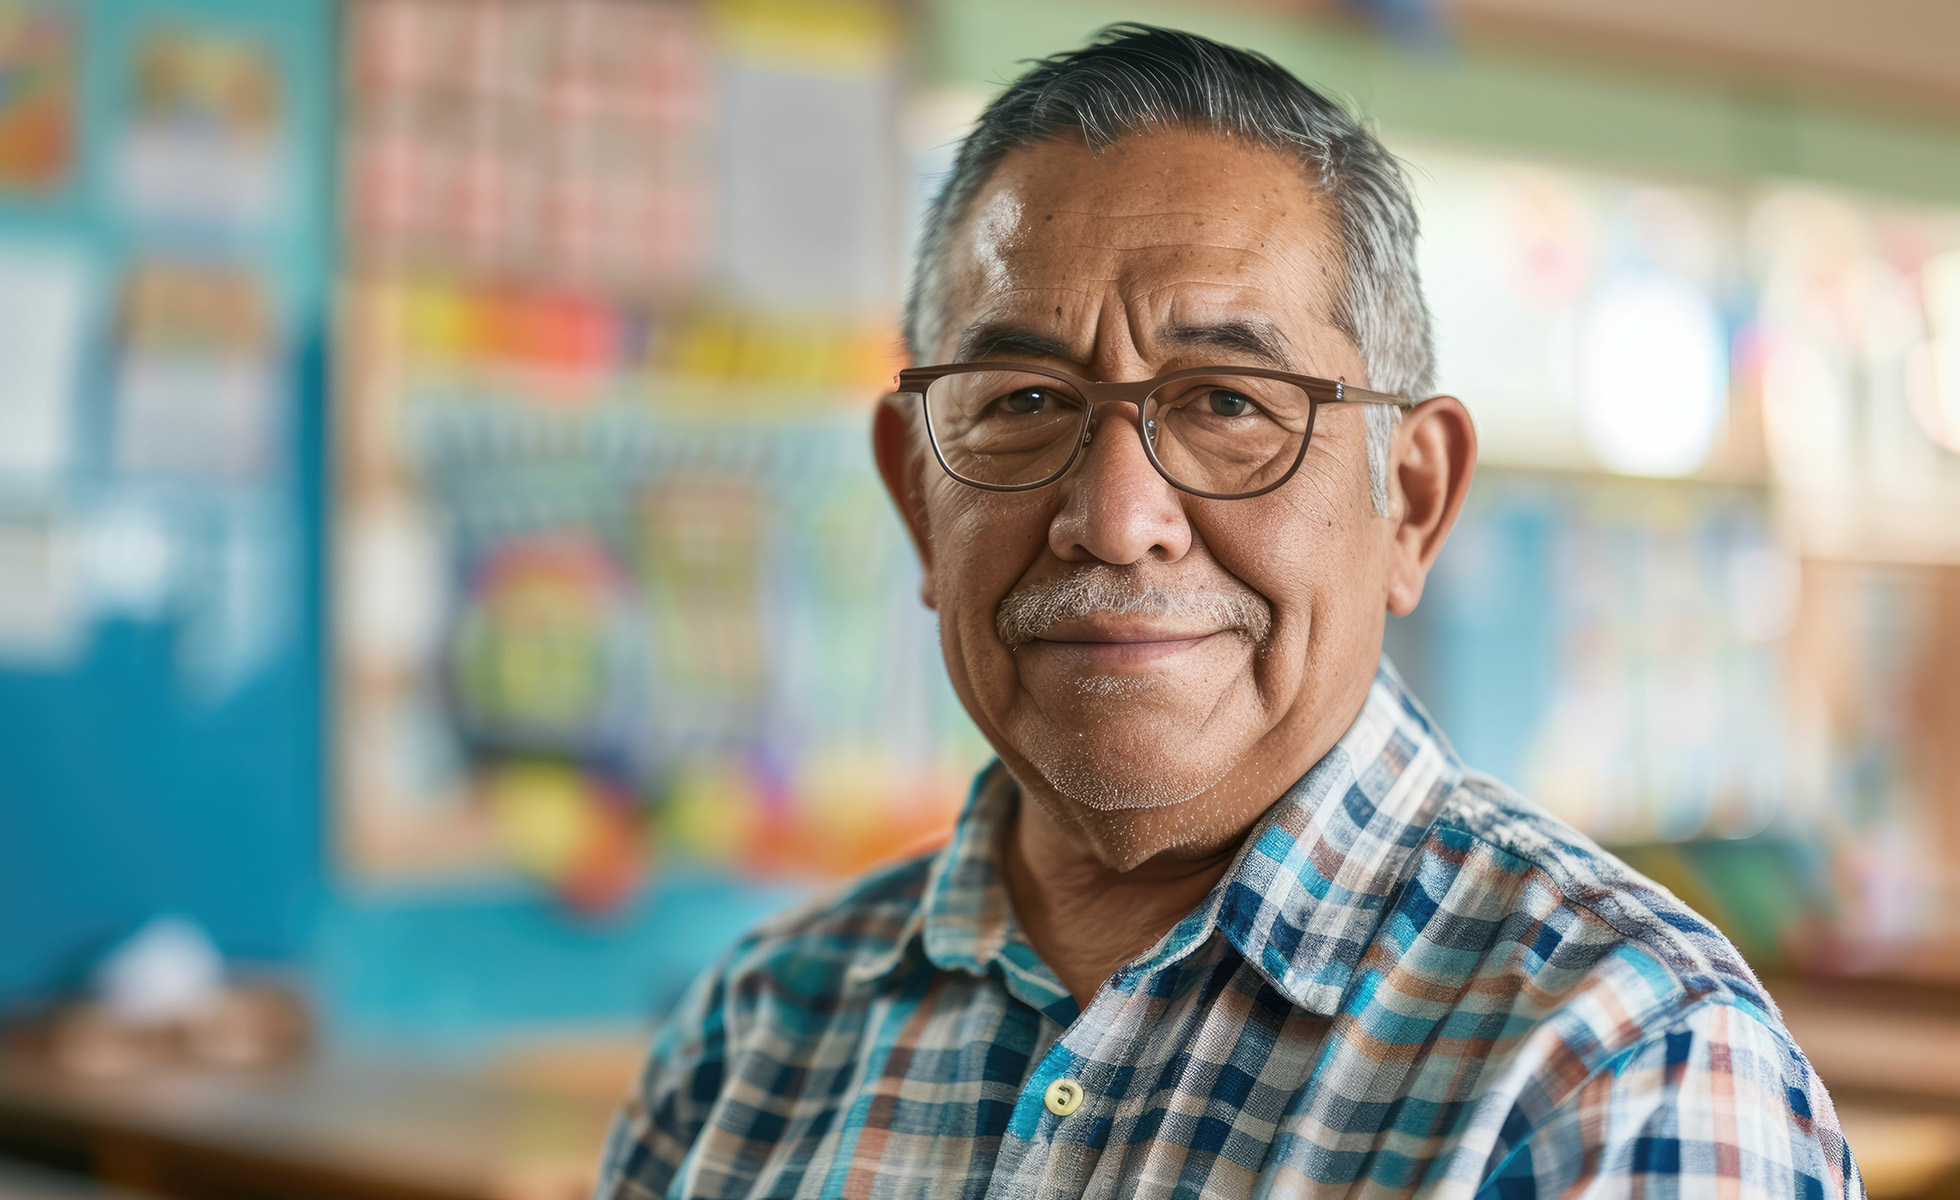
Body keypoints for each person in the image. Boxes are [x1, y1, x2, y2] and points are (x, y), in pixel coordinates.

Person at [596, 25, 1862, 1199]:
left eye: (1228, 403)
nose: (1115, 515)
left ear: (1409, 503)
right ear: (918, 495)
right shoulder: (753, 1042)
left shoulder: (1615, 1064)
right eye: (1023, 400)